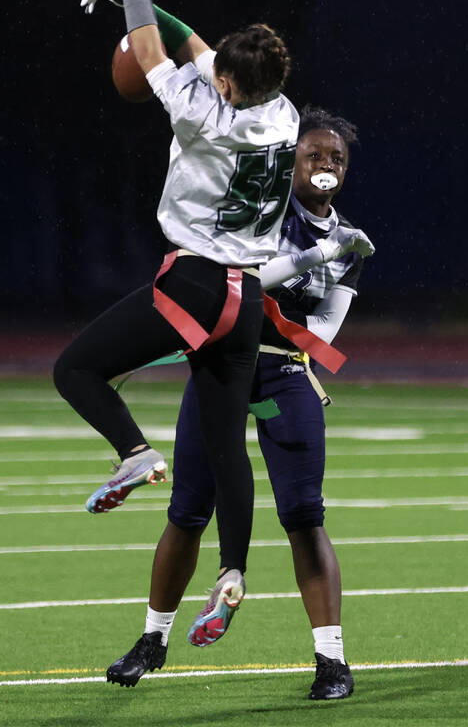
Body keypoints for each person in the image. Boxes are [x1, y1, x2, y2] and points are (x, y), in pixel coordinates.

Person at [54, 0, 300, 611]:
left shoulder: (201, 113)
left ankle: (134, 452)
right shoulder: (286, 117)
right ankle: (233, 573)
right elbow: (196, 46)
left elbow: (150, 48)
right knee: (228, 449)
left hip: (195, 285)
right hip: (247, 298)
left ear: (226, 83)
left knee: (75, 370)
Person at [105, 107, 372, 701]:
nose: (326, 165)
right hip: (224, 366)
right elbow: (249, 280)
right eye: (315, 155)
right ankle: (153, 639)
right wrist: (314, 258)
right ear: (293, 158)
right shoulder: (264, 208)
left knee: (304, 514)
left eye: (337, 159)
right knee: (187, 509)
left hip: (282, 376)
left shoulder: (349, 239)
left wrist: (329, 261)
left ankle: (332, 661)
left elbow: (326, 327)